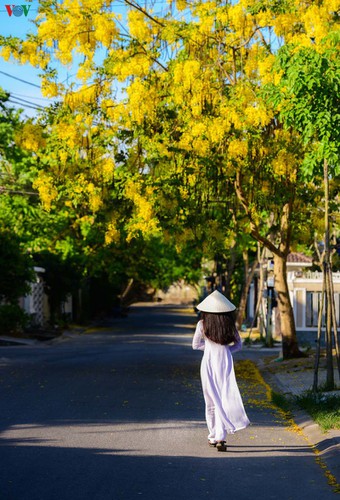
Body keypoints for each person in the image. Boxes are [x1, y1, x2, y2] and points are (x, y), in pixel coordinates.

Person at [192, 290, 250, 451]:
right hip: (225, 363)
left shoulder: (202, 325)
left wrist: (210, 351)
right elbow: (238, 345)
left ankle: (214, 436)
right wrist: (225, 352)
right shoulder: (229, 325)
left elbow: (195, 345)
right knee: (224, 397)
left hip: (209, 363)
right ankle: (220, 436)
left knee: (210, 400)